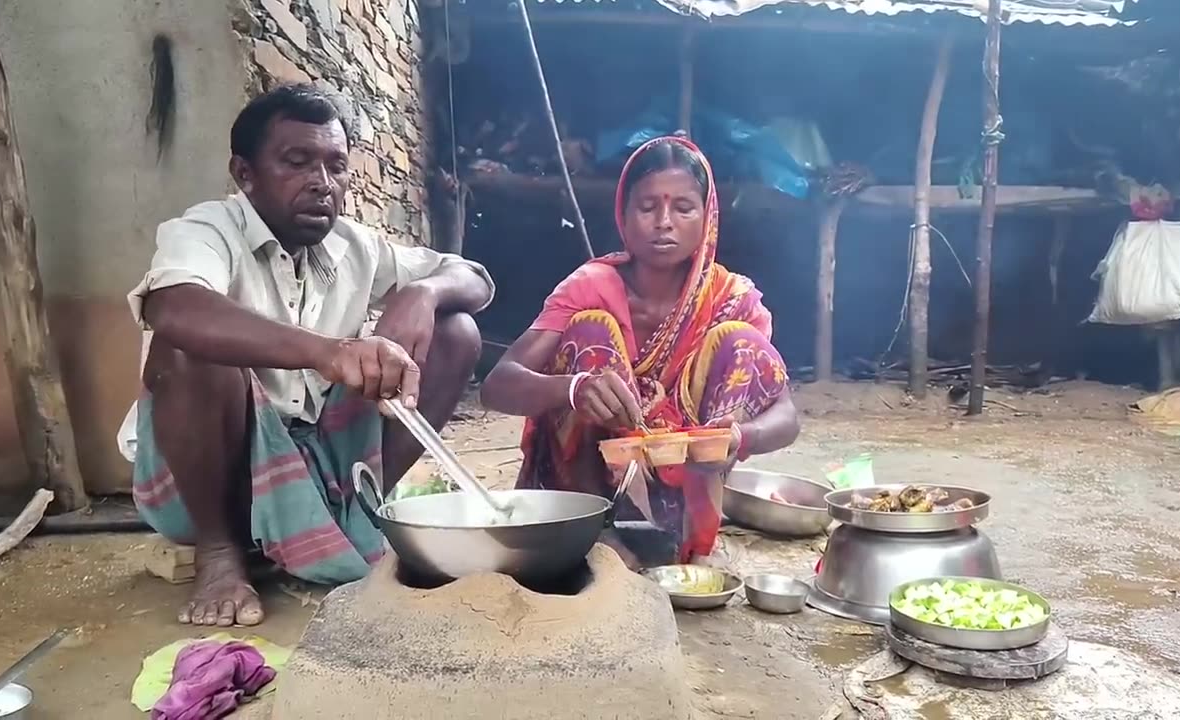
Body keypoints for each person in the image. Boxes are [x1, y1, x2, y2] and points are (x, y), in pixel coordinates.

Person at [118, 84, 494, 627]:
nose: (322, 183)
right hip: (220, 479)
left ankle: (366, 510)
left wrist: (422, 294)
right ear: (244, 174)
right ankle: (219, 554)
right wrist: (327, 352)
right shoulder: (206, 230)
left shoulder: (354, 245)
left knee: (456, 329)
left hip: (328, 463)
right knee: (187, 349)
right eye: (297, 162)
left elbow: (474, 279)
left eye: (337, 166)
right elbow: (174, 308)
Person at [480, 136, 799, 566]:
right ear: (624, 218)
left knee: (739, 341)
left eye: (683, 208)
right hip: (585, 477)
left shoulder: (731, 298)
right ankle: (595, 533)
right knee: (592, 329)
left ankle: (692, 533)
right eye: (647, 207)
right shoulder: (589, 287)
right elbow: (498, 385)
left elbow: (787, 416)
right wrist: (573, 389)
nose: (663, 222)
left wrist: (742, 437)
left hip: (686, 470)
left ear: (706, 218)